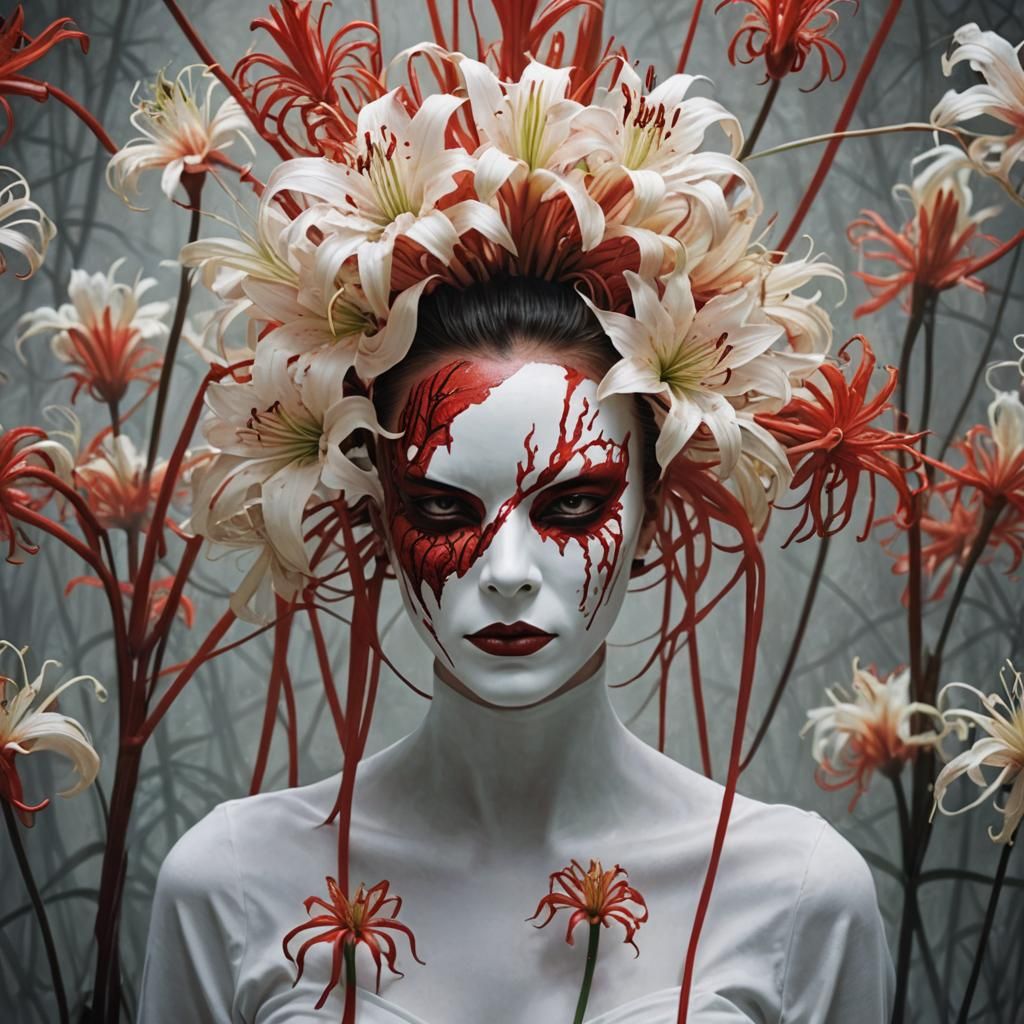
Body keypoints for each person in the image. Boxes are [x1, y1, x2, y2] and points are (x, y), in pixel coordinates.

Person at [137, 279, 895, 1023]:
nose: (506, 573)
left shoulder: (797, 895)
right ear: (378, 518)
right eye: (441, 507)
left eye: (573, 505)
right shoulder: (231, 885)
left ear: (651, 518)